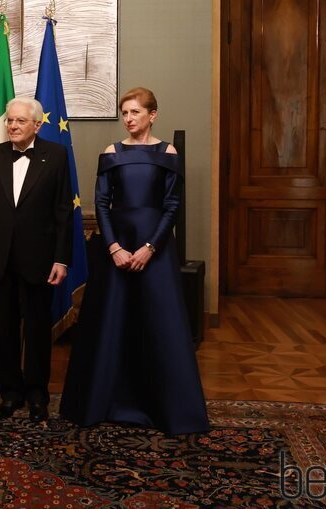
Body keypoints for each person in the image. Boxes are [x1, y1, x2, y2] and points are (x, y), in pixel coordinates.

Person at [60, 87, 209, 435]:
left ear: (152, 115)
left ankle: (167, 408)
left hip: (154, 250)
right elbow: (101, 204)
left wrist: (149, 248)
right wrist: (113, 247)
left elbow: (172, 206)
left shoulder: (167, 152)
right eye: (124, 113)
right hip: (117, 248)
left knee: (160, 325)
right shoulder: (111, 151)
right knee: (111, 322)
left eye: (135, 113)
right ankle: (103, 402)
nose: (128, 119)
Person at [0, 97, 73, 422]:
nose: (12, 126)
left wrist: (61, 259)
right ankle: (10, 393)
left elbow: (62, 213)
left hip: (40, 260)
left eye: (19, 122)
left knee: (38, 329)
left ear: (37, 125)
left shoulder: (56, 156)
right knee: (4, 330)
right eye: (9, 121)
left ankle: (37, 395)